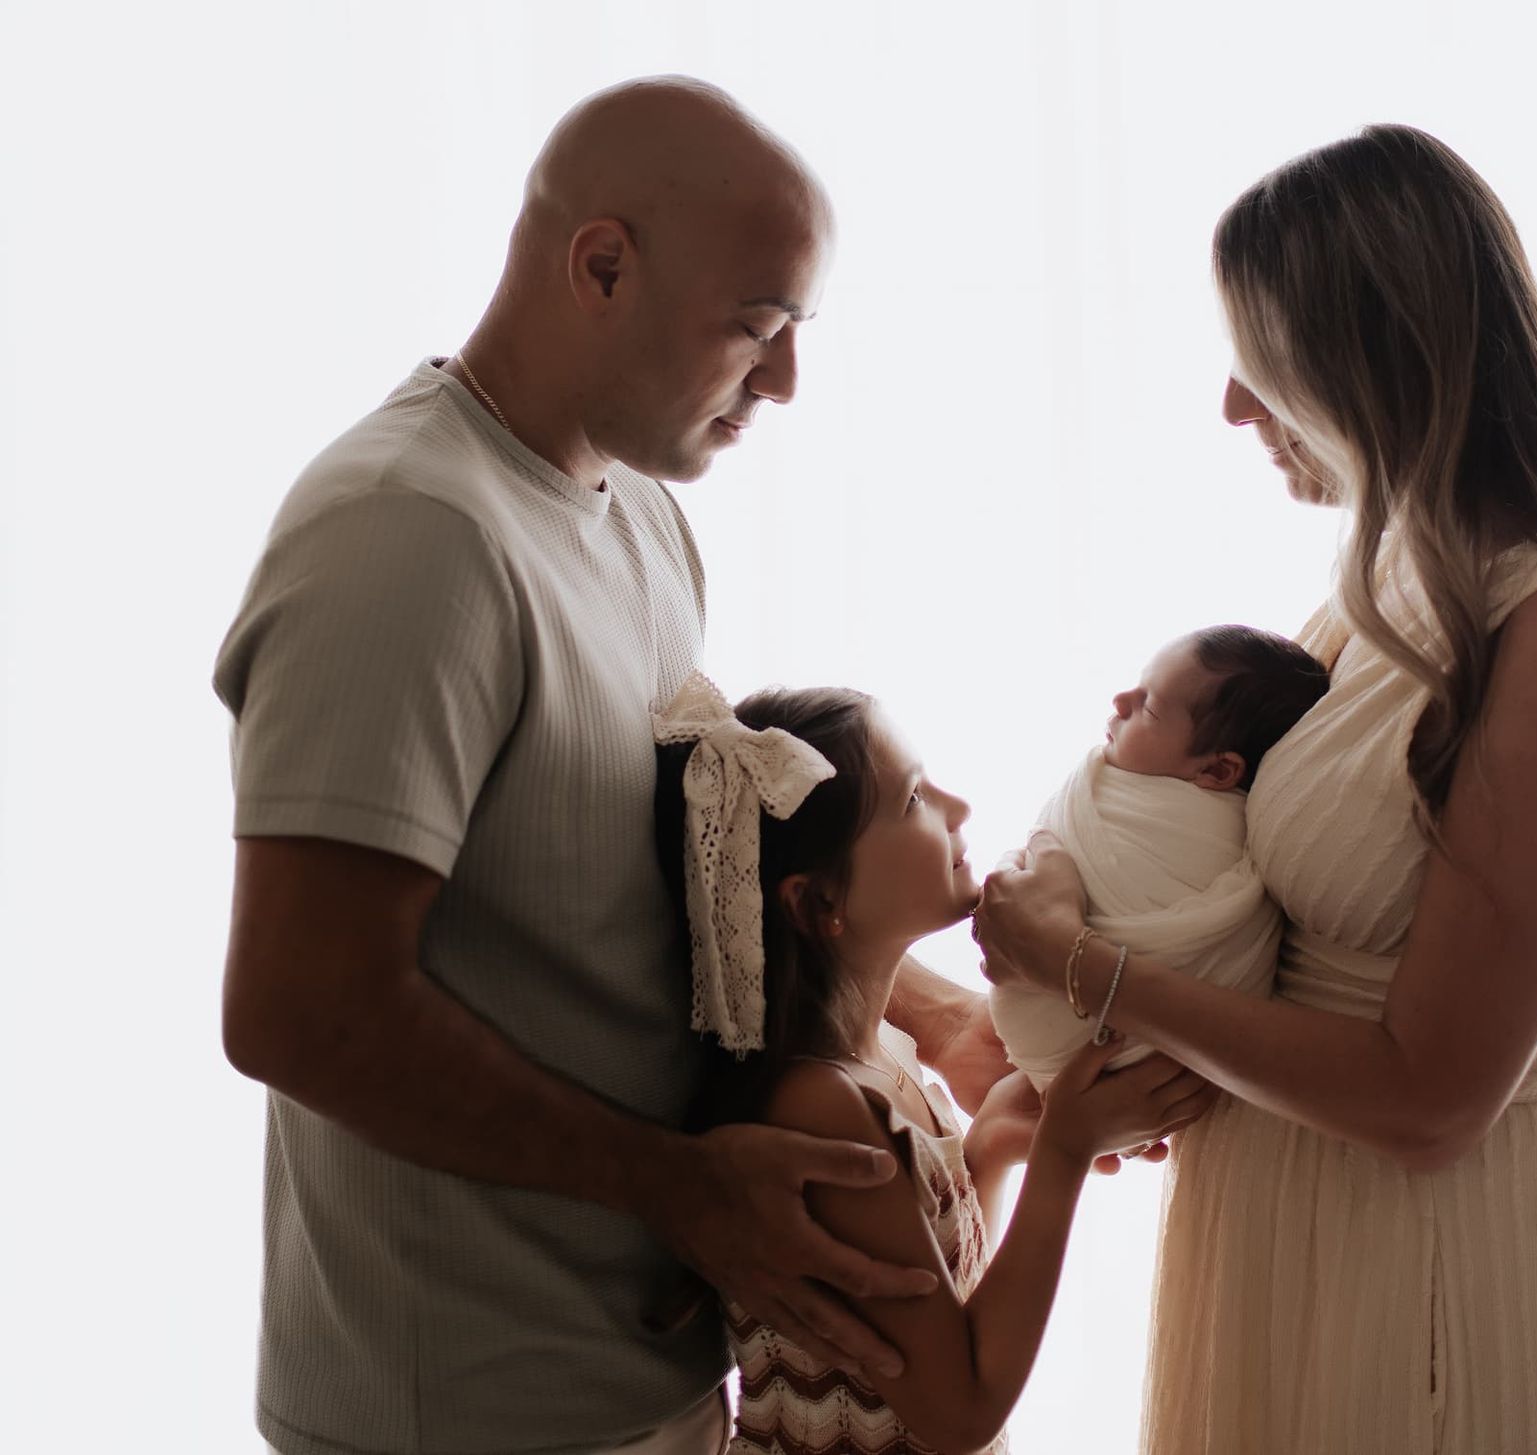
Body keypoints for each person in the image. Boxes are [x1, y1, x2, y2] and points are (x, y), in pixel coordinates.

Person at [213, 78, 1014, 1455]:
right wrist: (680, 1187)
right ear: (601, 264)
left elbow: (650, 857)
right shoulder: (407, 541)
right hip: (460, 1407)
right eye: (759, 326)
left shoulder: (642, 512)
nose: (786, 381)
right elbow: (299, 1009)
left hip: (652, 1371)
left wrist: (920, 1007)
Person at [973, 124, 1537, 1454]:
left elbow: (1428, 1096)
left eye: (1259, 364)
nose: (1231, 407)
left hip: (1429, 1249)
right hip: (1279, 1218)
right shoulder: (1375, 584)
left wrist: (1086, 966)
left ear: (1371, 359)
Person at [652, 675, 1212, 1454]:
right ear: (817, 904)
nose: (959, 807)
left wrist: (993, 1147)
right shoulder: (820, 1104)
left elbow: (929, 1303)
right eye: (914, 798)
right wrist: (1064, 1153)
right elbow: (958, 1414)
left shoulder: (885, 1057)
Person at [988, 626, 1328, 1088]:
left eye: (1147, 706)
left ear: (1217, 769)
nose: (1120, 700)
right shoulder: (1135, 794)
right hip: (1124, 1060)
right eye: (1137, 684)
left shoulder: (1210, 834)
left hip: (1106, 1040)